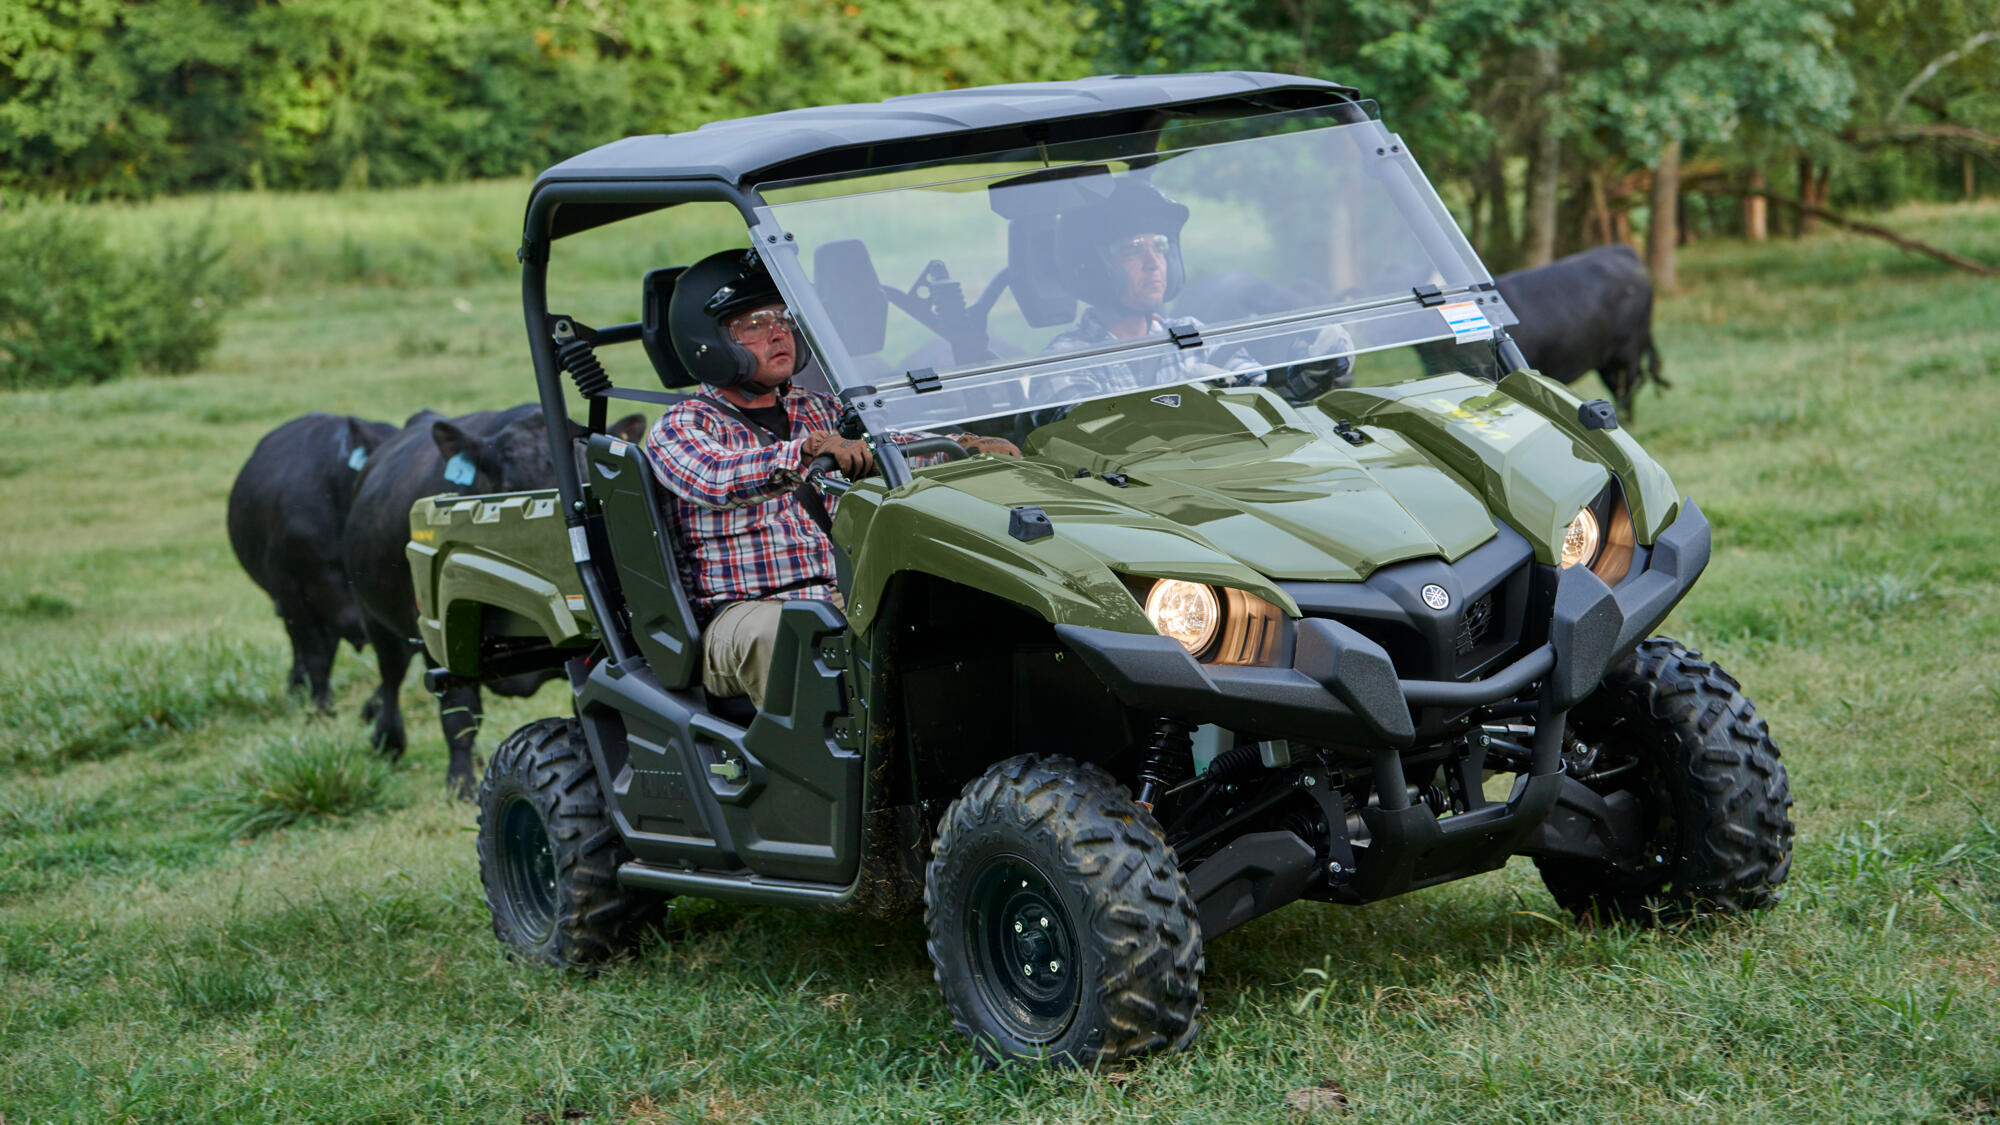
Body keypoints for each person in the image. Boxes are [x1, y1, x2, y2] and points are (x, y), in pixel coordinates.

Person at [644, 249, 1016, 709]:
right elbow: (715, 478)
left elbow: (891, 445)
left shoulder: (819, 408)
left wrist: (964, 448)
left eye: (784, 318)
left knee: (956, 607)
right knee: (785, 633)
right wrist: (806, 452)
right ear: (708, 341)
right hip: (743, 615)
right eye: (755, 324)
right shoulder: (681, 426)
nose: (778, 333)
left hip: (843, 594)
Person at [1040, 178, 1353, 412]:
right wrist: (1196, 405)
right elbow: (1092, 442)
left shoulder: (1188, 335)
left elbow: (1266, 401)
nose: (1154, 262)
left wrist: (1318, 366)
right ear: (1093, 269)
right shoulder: (1066, 360)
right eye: (1134, 249)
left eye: (1160, 246)